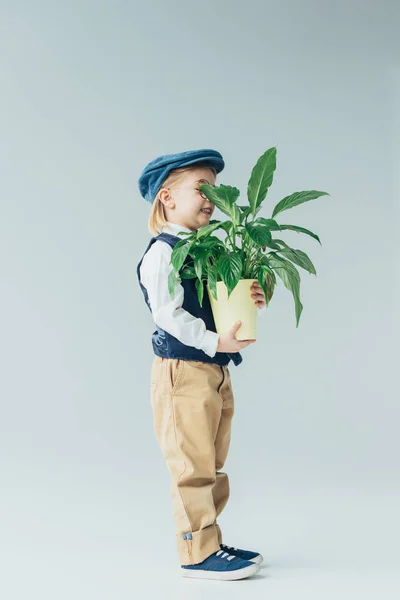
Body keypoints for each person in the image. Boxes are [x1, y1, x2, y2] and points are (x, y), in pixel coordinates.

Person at [136, 149, 267, 581]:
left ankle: (210, 540)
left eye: (215, 188)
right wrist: (216, 340)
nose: (212, 197)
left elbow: (215, 303)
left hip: (212, 369)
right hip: (183, 372)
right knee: (191, 465)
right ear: (167, 197)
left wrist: (250, 297)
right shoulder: (163, 252)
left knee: (212, 462)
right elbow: (168, 315)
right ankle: (196, 552)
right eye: (202, 188)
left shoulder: (207, 250)